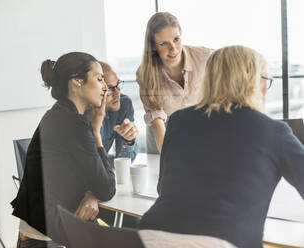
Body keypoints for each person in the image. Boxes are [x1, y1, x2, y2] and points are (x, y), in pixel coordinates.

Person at [139, 46, 304, 248]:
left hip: (149, 236)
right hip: (221, 241)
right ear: (254, 82)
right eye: (265, 80)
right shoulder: (273, 131)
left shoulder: (178, 120)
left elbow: (163, 187)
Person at [11, 52, 116, 247]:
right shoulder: (72, 124)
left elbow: (80, 174)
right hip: (47, 241)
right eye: (99, 78)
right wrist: (96, 130)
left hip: (37, 234)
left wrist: (90, 192)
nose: (105, 87)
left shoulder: (58, 115)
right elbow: (107, 188)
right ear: (76, 81)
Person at [136, 12, 213, 153]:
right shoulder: (145, 74)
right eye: (164, 43)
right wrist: (169, 161)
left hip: (198, 130)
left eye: (176, 39)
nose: (173, 48)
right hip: (163, 134)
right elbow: (157, 121)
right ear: (153, 46)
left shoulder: (205, 58)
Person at [85, 61, 138, 166]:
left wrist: (129, 141)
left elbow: (123, 163)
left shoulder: (123, 104)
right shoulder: (79, 113)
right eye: (109, 88)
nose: (117, 93)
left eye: (117, 85)